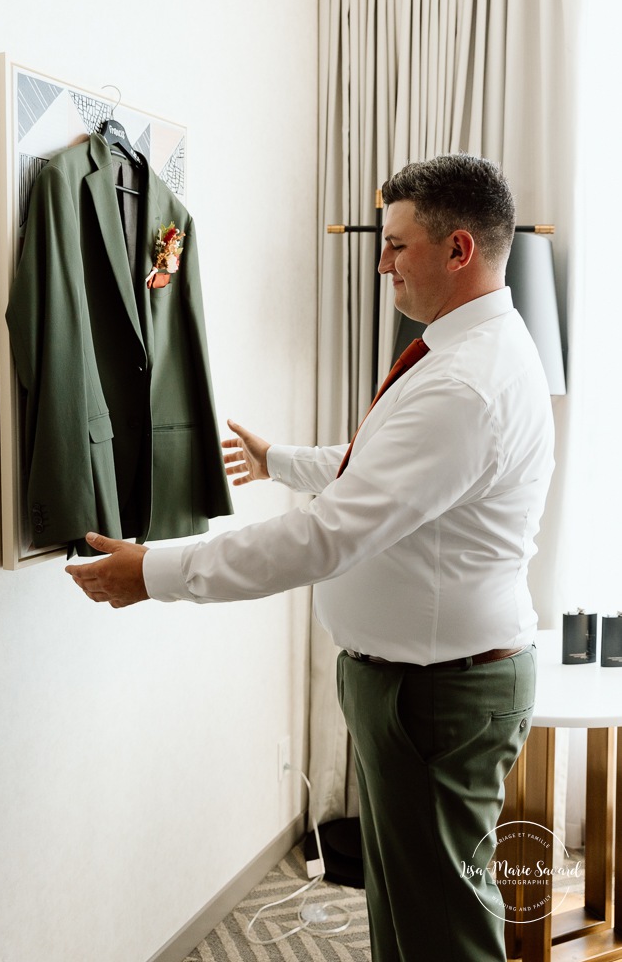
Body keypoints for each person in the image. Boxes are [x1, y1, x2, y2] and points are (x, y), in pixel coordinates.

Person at [66, 154, 555, 962]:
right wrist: (282, 460)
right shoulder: (470, 352)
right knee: (407, 914)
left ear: (458, 250)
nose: (381, 262)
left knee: (444, 927)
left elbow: (326, 536)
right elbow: (394, 473)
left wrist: (153, 572)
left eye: (397, 245)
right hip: (420, 682)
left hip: (436, 694)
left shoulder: (465, 383)